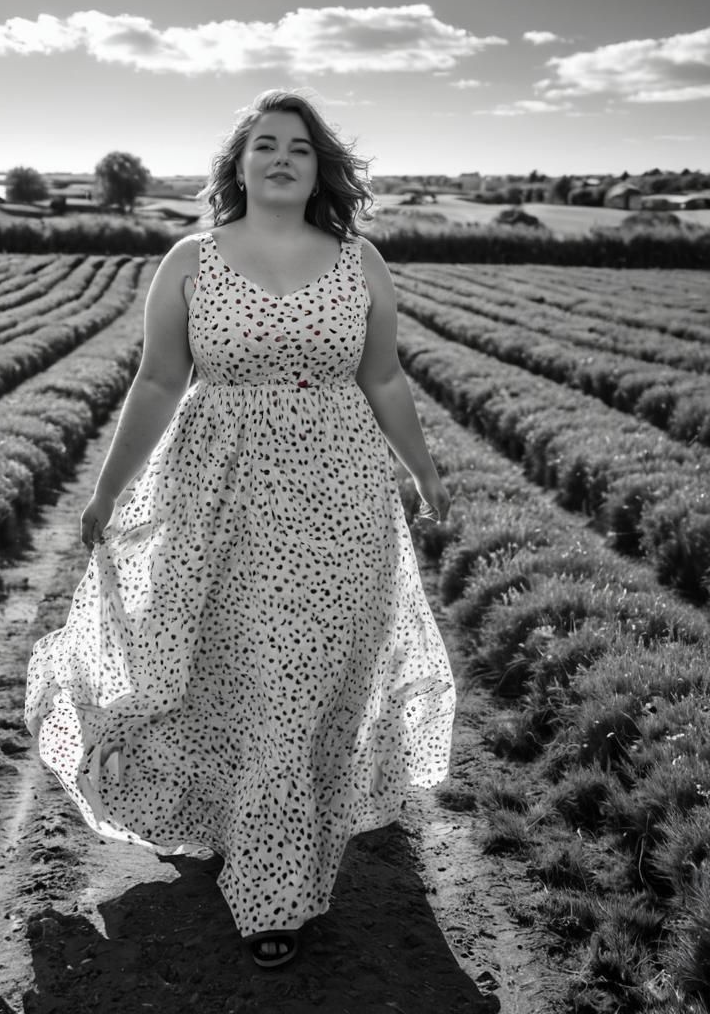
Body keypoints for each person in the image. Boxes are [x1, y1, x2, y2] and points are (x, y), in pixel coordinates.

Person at [24, 88, 456, 969]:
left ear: (319, 166)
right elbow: (155, 383)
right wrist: (108, 490)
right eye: (264, 144)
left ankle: (272, 890)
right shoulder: (190, 260)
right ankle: (248, 829)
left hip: (338, 497)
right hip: (218, 498)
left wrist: (423, 465)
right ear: (239, 165)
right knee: (234, 670)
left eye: (299, 146)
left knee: (304, 676)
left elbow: (384, 380)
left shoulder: (361, 261)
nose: (282, 157)